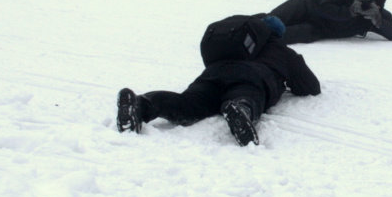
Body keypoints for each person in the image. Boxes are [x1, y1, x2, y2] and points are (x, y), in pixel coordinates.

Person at [116, 17, 320, 146]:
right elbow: (310, 87)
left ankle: (142, 103)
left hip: (212, 75)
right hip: (252, 76)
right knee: (247, 95)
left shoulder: (238, 41)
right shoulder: (282, 50)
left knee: (187, 104)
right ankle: (240, 109)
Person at [269, 0, 392, 44]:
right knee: (269, 21)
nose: (366, 4)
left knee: (279, 36)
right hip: (306, 6)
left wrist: (378, 22)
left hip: (318, 29)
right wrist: (350, 12)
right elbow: (323, 7)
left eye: (372, 4)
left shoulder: (375, 15)